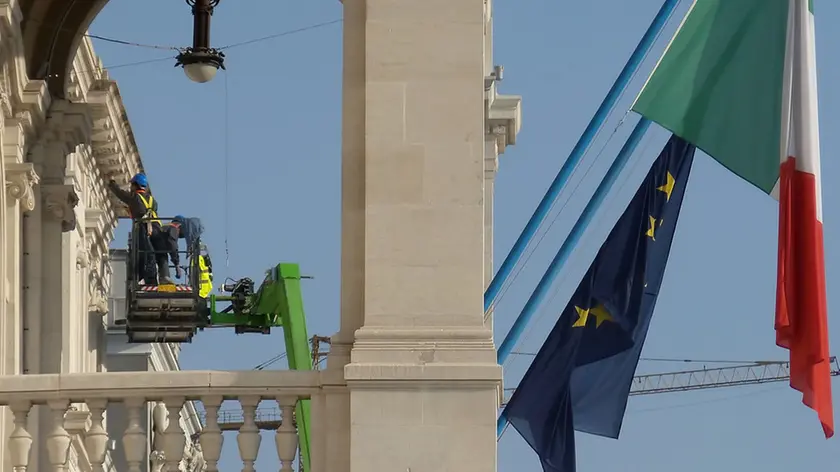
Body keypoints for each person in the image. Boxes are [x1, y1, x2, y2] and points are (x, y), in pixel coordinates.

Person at [108, 173, 161, 285]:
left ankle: (147, 280)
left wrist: (112, 183)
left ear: (136, 185)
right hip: (156, 227)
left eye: (132, 184)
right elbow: (145, 210)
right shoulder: (152, 200)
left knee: (144, 252)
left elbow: (120, 194)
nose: (130, 187)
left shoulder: (134, 197)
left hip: (143, 227)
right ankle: (145, 278)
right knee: (149, 252)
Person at [154, 216, 185, 285]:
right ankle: (164, 278)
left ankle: (160, 277)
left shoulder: (164, 227)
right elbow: (172, 245)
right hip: (158, 249)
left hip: (152, 248)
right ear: (180, 225)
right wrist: (177, 265)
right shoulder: (174, 228)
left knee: (162, 254)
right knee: (163, 255)